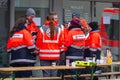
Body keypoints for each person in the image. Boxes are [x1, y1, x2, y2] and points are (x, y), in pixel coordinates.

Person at [36, 12, 64, 77]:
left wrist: (37, 51)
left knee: (46, 74)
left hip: (44, 55)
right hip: (55, 55)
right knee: (54, 74)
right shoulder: (59, 29)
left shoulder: (42, 29)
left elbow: (38, 42)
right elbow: (61, 42)